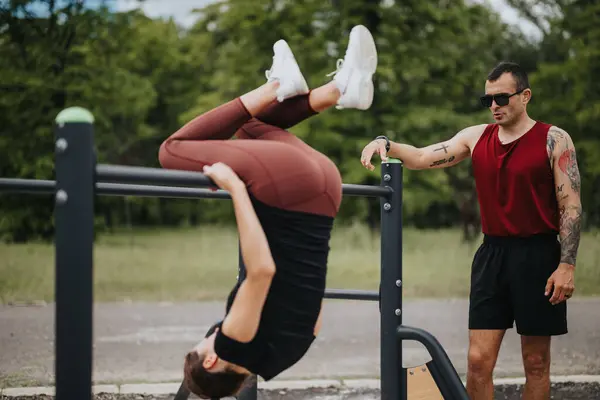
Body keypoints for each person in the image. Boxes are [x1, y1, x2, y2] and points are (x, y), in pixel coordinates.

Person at [158, 25, 378, 399]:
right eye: (202, 343)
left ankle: (337, 90)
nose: (209, 336)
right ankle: (280, 85)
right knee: (172, 150)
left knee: (249, 124)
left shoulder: (280, 360)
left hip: (323, 189)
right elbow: (261, 271)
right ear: (210, 361)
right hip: (289, 187)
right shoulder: (231, 346)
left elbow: (314, 305)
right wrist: (237, 190)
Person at [360, 61, 582, 400]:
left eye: (502, 98)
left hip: (539, 256)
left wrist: (566, 264)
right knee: (478, 361)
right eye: (488, 100)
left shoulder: (554, 139)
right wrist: (385, 144)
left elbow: (570, 207)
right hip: (492, 256)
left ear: (525, 96)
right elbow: (421, 157)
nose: (494, 106)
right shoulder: (476, 137)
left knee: (536, 362)